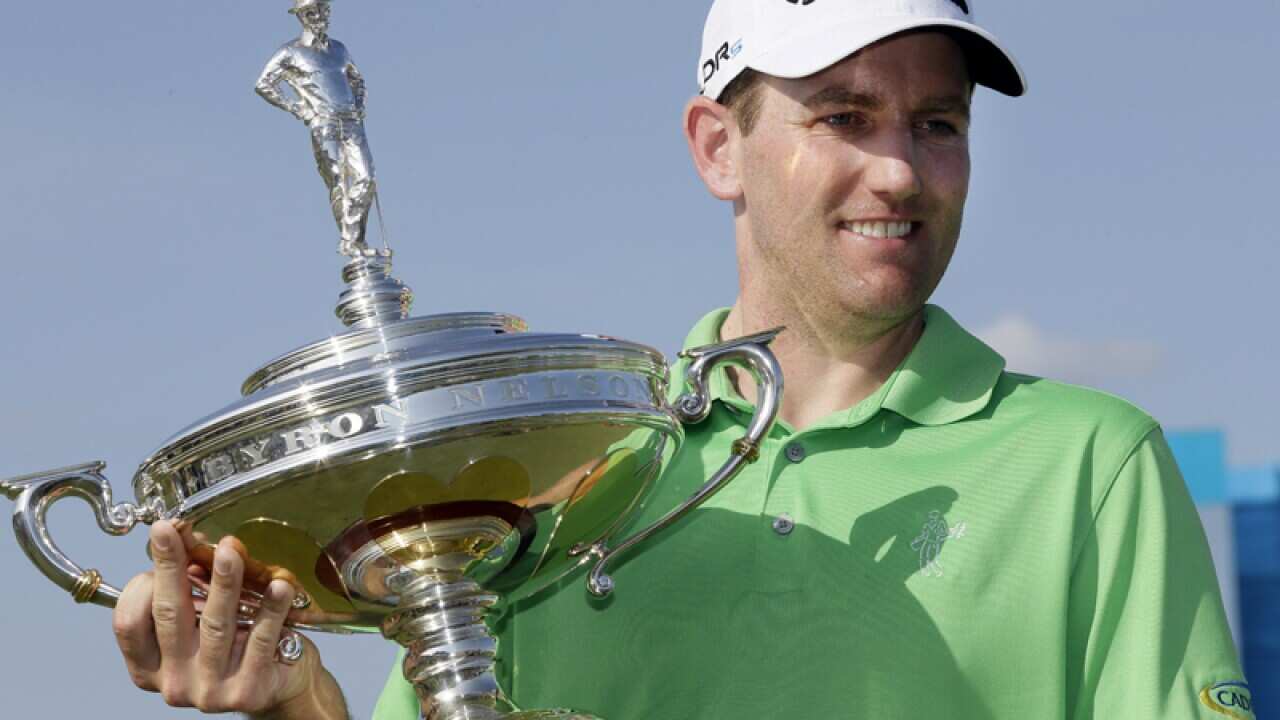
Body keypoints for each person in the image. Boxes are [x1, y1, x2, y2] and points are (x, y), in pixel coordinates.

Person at [113, 1, 1250, 718]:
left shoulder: (1088, 464)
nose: (900, 172)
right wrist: (296, 706)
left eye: (936, 123)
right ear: (719, 148)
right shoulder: (562, 472)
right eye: (844, 118)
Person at [256, 0, 379, 258]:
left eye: (323, 10)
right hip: (323, 122)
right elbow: (264, 83)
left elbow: (357, 81)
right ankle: (353, 243)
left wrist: (358, 104)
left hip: (351, 121)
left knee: (365, 178)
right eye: (311, 11)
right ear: (300, 16)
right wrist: (296, 108)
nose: (319, 16)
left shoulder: (340, 50)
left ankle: (352, 238)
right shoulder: (291, 52)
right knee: (337, 179)